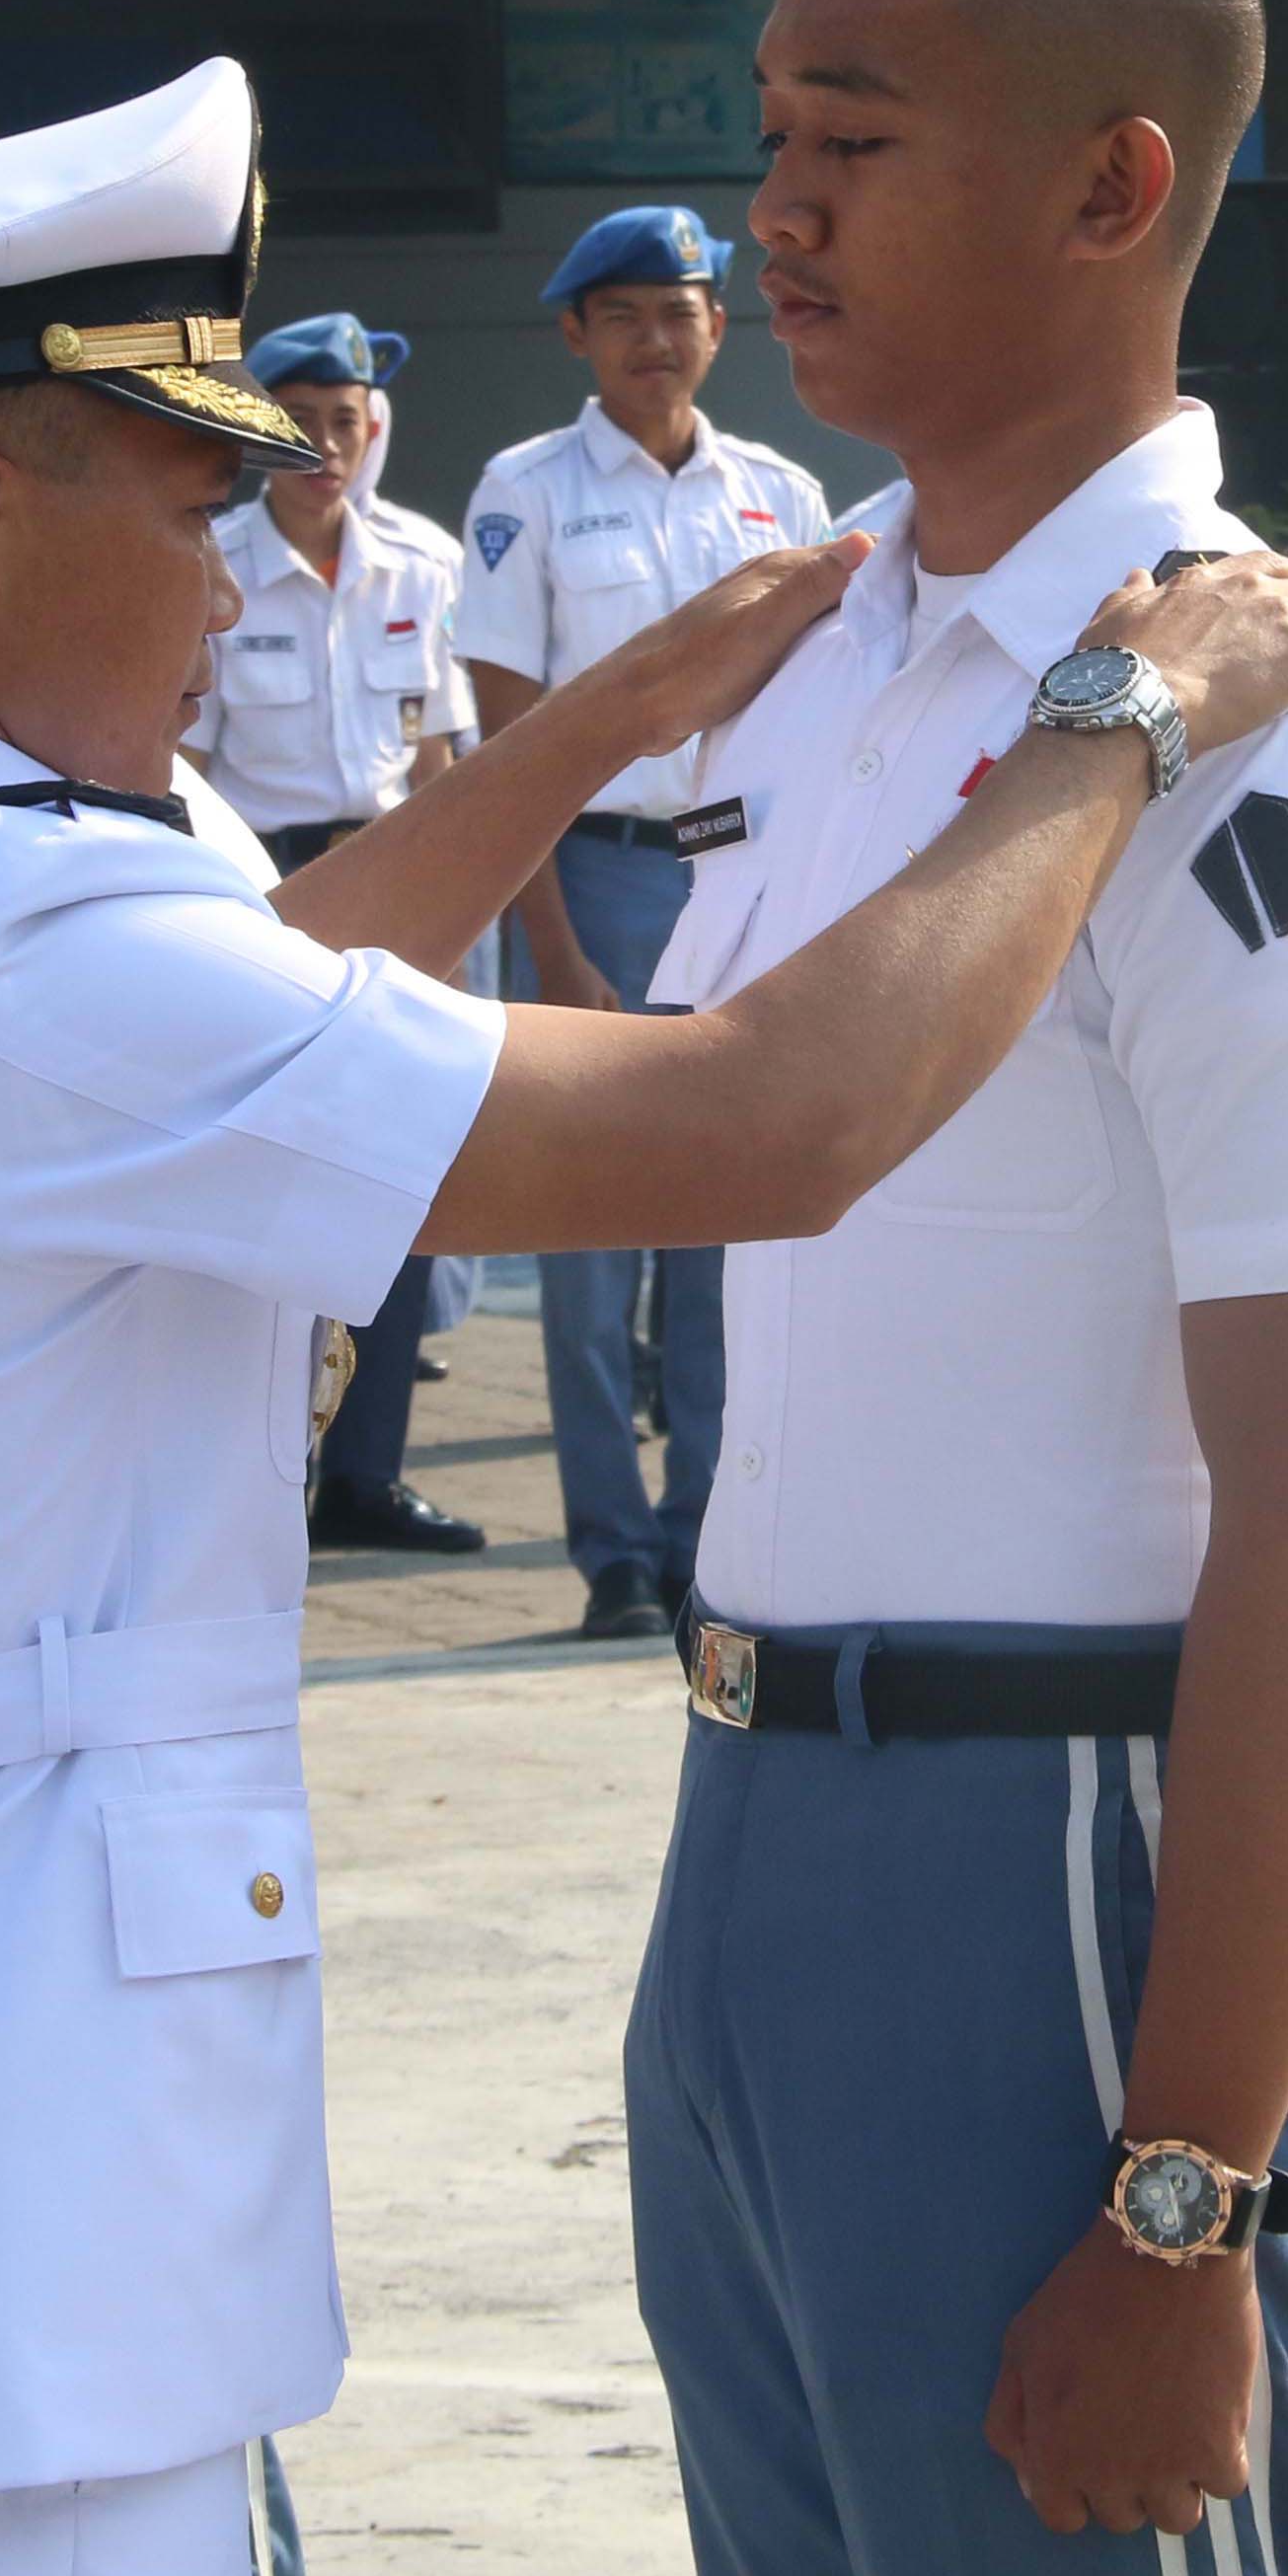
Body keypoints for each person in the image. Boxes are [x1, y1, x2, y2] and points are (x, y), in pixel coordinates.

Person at [0, 54, 1288, 2576]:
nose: (249, 591)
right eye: (192, 518)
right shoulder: (6, 956)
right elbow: (783, 1115)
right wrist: (1116, 715)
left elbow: (249, 1004)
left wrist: (598, 726)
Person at [627, 0, 1288, 2576]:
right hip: (755, 1829)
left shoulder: (1264, 745)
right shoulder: (837, 647)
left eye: (852, 134)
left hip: (1059, 1883)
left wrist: (1185, 2186)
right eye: (774, 126)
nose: (777, 208)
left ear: (1116, 181)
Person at [452, 204, 833, 1637]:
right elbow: (506, 747)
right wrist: (553, 944)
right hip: (597, 875)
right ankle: (611, 1546)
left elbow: (814, 720)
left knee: (723, 1230)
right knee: (587, 1239)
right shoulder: (528, 489)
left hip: (741, 875)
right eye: (624, 319)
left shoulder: (785, 497)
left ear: (718, 330)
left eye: (678, 315)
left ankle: (703, 1541)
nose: (654, 343)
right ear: (576, 336)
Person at [183, 309, 491, 1557]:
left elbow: (435, 753)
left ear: (375, 426)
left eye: (346, 420)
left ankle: (366, 1473)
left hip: (400, 868)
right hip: (267, 884)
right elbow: (178, 756)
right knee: (270, 1173)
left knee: (402, 1167)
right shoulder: (213, 558)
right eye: (299, 421)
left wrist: (456, 916)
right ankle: (254, 1473)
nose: (325, 443)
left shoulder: (421, 560)